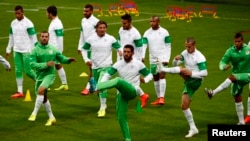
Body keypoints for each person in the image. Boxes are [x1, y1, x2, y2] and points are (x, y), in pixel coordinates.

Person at [97, 44, 153, 141]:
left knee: (118, 80)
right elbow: (107, 75)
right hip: (121, 94)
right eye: (125, 51)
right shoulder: (118, 64)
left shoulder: (138, 64)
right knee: (121, 117)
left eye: (128, 52)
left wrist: (145, 80)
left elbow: (150, 75)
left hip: (132, 91)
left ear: (132, 53)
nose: (126, 54)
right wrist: (103, 83)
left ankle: (96, 87)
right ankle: (127, 138)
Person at [157, 37, 208, 138]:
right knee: (184, 106)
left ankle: (162, 69)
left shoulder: (200, 57)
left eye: (189, 47)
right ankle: (193, 128)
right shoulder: (185, 53)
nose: (187, 49)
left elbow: (205, 73)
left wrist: (192, 73)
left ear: (194, 46)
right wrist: (175, 60)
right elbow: (174, 65)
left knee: (181, 69)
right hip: (189, 82)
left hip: (197, 80)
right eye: (186, 47)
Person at [27, 31, 76, 126]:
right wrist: (45, 64)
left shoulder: (53, 49)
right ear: (39, 37)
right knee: (43, 97)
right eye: (42, 36)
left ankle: (34, 113)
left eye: (46, 36)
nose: (44, 38)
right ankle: (51, 117)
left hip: (50, 75)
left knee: (41, 90)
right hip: (39, 76)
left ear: (48, 38)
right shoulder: (34, 50)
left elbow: (61, 58)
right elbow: (32, 64)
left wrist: (68, 60)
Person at [205, 32, 250, 125]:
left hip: (247, 74)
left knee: (231, 77)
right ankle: (241, 122)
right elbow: (222, 62)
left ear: (243, 41)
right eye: (235, 41)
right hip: (237, 75)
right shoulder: (230, 51)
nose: (237, 43)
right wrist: (223, 67)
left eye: (239, 41)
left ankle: (213, 93)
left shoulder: (248, 49)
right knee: (237, 96)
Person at [81, 21, 122, 117]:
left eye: (104, 27)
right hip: (95, 67)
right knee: (96, 89)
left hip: (106, 67)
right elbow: (84, 49)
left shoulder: (110, 38)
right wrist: (86, 59)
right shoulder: (91, 39)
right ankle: (103, 103)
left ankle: (102, 108)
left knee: (101, 86)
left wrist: (120, 51)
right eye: (100, 27)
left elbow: (119, 47)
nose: (102, 29)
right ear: (96, 29)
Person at [118, 13, 149, 108]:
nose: (123, 25)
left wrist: (140, 59)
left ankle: (123, 97)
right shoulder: (121, 30)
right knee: (123, 77)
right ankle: (143, 95)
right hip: (122, 57)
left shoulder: (136, 34)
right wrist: (119, 50)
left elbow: (140, 48)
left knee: (129, 79)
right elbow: (119, 42)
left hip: (132, 58)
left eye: (125, 24)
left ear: (130, 22)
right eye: (122, 23)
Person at [6, 5, 37, 98]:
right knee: (18, 70)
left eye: (18, 13)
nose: (17, 15)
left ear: (23, 12)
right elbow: (11, 37)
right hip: (16, 50)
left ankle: (41, 82)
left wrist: (36, 50)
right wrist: (8, 49)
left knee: (28, 71)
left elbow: (34, 37)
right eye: (15, 13)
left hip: (27, 51)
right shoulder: (13, 23)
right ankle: (20, 91)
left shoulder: (29, 23)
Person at [142, 16, 171, 105]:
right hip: (152, 58)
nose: (151, 23)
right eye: (150, 21)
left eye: (153, 21)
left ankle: (162, 98)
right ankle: (158, 98)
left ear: (158, 22)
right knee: (155, 77)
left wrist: (167, 59)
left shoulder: (164, 32)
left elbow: (168, 46)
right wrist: (142, 56)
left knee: (162, 75)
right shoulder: (147, 33)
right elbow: (144, 45)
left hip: (162, 58)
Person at [77, 4, 99, 95]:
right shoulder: (83, 20)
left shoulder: (96, 21)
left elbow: (100, 34)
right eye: (84, 11)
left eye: (86, 11)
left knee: (92, 68)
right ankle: (93, 87)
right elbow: (82, 34)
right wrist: (80, 46)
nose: (84, 13)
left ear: (91, 11)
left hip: (95, 48)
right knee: (92, 69)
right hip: (86, 49)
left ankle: (88, 88)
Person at [46, 5, 68, 91]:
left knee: (49, 66)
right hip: (52, 49)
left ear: (50, 14)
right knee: (57, 66)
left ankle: (47, 84)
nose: (46, 14)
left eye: (47, 13)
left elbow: (60, 38)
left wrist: (59, 51)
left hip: (54, 50)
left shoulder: (57, 23)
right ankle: (64, 84)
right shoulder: (54, 22)